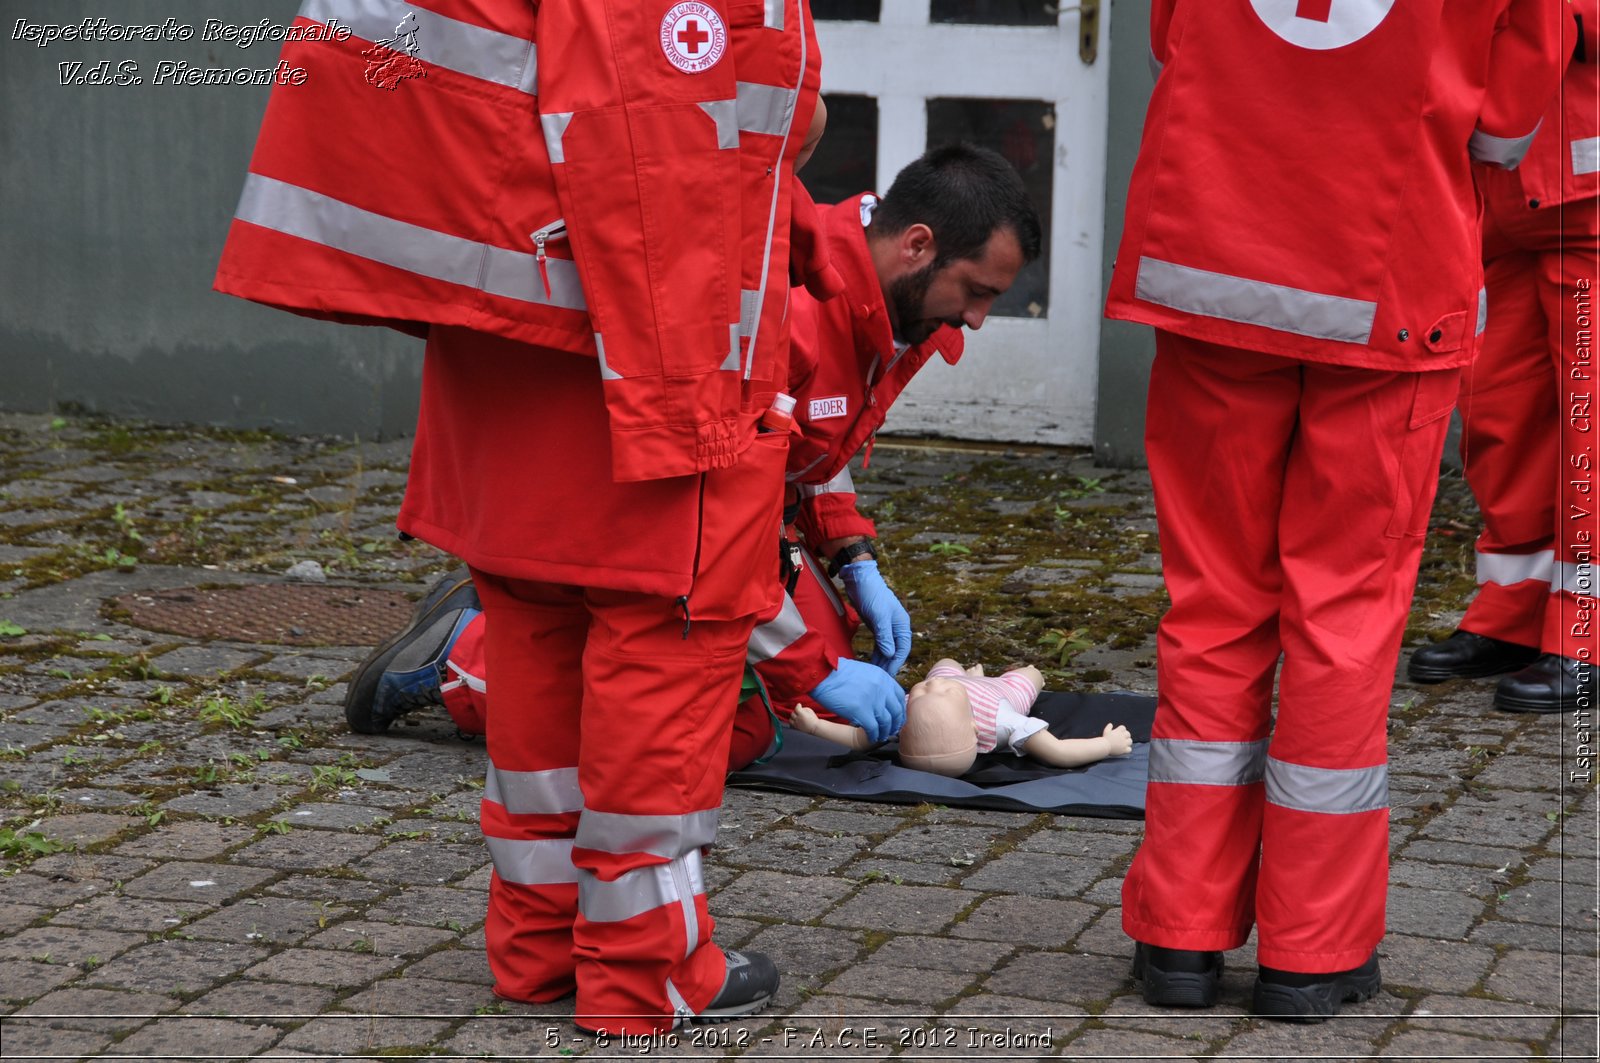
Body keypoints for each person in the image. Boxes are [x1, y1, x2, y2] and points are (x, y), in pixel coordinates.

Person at [216, 0, 825, 1036]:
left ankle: (540, 948)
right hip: (634, 353)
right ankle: (646, 972)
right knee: (661, 652)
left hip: (524, 337)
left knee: (538, 644)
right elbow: (648, 137)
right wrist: (693, 405)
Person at [1103, 0, 1564, 1022]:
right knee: (1344, 622)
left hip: (1212, 261)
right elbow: (1511, 110)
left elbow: (1172, 38)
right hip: (1389, 276)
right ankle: (1309, 953)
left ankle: (1177, 936)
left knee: (1214, 602)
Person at [344, 145, 1044, 771]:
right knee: (707, 731)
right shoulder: (793, 311)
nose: (976, 319)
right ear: (918, 245)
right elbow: (708, 500)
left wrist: (855, 555)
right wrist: (803, 662)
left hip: (738, 516)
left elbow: (812, 449)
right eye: (977, 292)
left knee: (816, 708)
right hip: (663, 515)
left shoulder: (902, 310)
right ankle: (466, 655)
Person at [1407, 9, 1600, 714]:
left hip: (1588, 192)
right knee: (1500, 415)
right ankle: (1514, 611)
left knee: (1591, 424)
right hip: (1502, 196)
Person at [788, 659, 1133, 776]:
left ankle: (966, 673)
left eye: (920, 693)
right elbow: (1059, 752)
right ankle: (981, 675)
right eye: (935, 693)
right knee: (1029, 675)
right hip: (998, 691)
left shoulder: (907, 712)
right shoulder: (1004, 721)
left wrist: (815, 725)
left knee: (946, 665)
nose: (930, 687)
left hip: (964, 681)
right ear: (972, 726)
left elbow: (858, 740)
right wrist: (1107, 744)